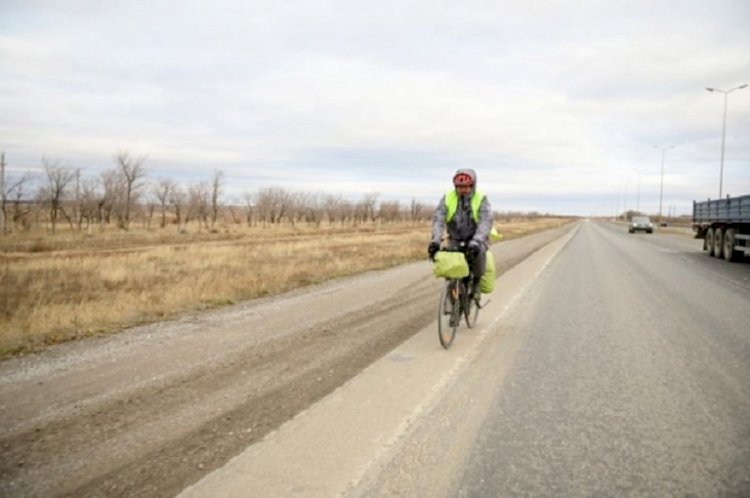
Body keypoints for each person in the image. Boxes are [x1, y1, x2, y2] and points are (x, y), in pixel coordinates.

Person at [428, 168, 492, 301]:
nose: (462, 190)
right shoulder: (447, 198)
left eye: (466, 187)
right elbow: (438, 220)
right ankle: (453, 293)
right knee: (451, 265)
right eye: (459, 187)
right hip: (455, 238)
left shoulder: (481, 198)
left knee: (478, 255)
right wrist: (435, 241)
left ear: (472, 185)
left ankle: (476, 284)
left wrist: (477, 241)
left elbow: (485, 221)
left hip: (476, 238)